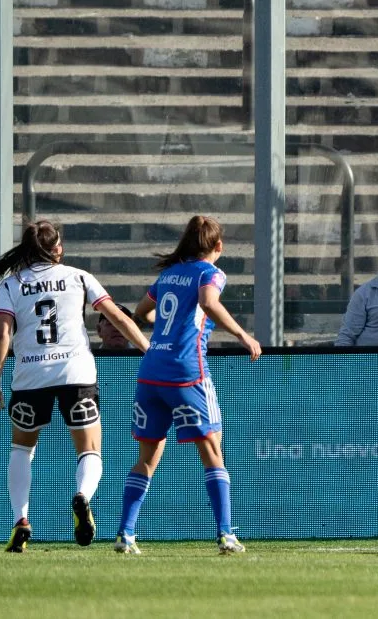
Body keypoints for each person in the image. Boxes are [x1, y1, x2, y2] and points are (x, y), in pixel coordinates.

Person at [0, 220, 150, 553]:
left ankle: (20, 520)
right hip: (76, 373)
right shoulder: (79, 276)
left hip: (30, 376)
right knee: (90, 449)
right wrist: (148, 349)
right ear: (58, 248)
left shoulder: (11, 285)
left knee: (21, 450)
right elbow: (116, 316)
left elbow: (3, 335)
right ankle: (83, 497)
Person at [114, 216, 262, 555]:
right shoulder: (211, 273)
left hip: (151, 370)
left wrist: (167, 325)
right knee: (212, 450)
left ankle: (126, 533)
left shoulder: (168, 274)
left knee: (147, 458)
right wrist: (243, 335)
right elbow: (209, 302)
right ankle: (226, 534)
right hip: (186, 370)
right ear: (218, 246)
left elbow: (142, 311)